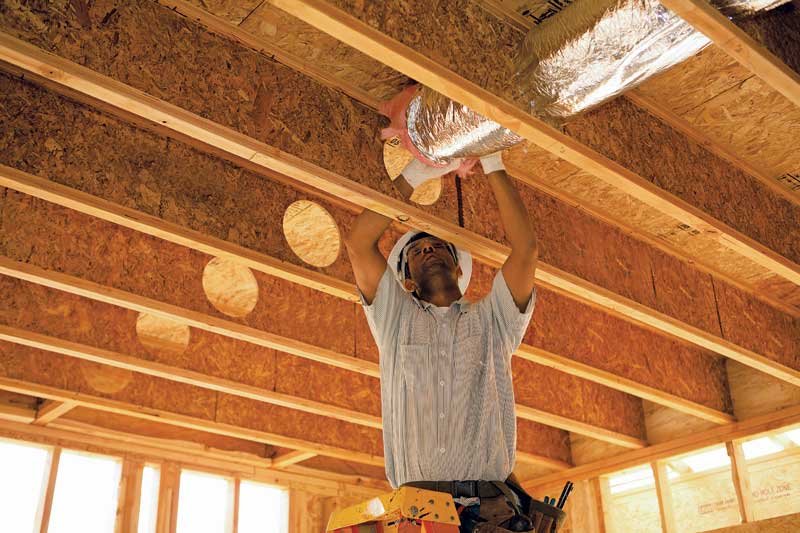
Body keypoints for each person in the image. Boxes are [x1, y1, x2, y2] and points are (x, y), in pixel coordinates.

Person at [344, 151, 539, 532]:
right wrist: (418, 172)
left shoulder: (492, 319)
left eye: (436, 246)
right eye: (416, 252)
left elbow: (526, 250)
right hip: (420, 513)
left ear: (459, 267)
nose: (428, 250)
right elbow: (358, 243)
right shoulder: (396, 321)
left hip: (490, 511)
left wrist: (493, 161)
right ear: (406, 281)